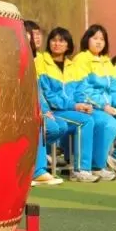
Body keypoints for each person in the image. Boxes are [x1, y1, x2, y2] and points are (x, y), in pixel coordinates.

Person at [70, 25, 116, 179]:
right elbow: (83, 90)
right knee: (109, 124)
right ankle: (97, 166)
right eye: (95, 38)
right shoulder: (81, 59)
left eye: (102, 39)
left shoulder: (106, 61)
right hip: (92, 107)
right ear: (87, 39)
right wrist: (103, 106)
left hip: (111, 108)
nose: (99, 42)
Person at [35, 27, 101, 183]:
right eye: (54, 40)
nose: (57, 44)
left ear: (68, 45)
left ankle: (94, 165)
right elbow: (48, 94)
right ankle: (81, 170)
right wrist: (74, 106)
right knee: (85, 121)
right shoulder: (42, 62)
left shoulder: (73, 66)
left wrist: (83, 104)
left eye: (61, 41)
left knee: (92, 117)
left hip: (69, 110)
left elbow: (80, 90)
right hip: (54, 110)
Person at [23, 21, 63, 187]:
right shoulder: (11, 60)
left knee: (56, 126)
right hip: (18, 111)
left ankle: (36, 160)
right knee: (39, 123)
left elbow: (37, 91)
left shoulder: (31, 62)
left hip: (36, 109)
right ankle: (37, 171)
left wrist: (44, 109)